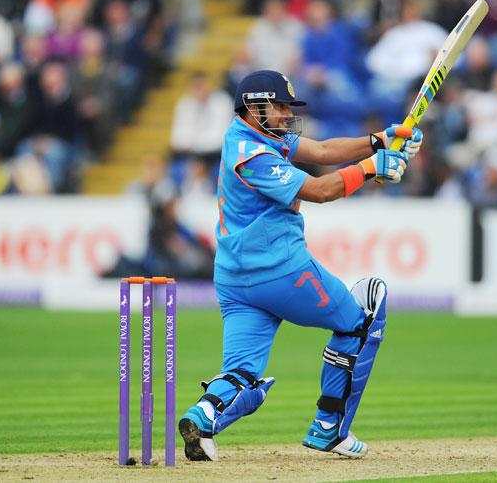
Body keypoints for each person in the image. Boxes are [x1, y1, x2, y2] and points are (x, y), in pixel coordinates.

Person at [178, 70, 423, 461]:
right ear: (254, 106)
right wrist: (372, 167)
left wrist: (378, 140)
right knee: (361, 319)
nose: (286, 113)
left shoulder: (257, 135)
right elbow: (321, 190)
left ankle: (202, 417)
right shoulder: (253, 154)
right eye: (278, 106)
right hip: (280, 272)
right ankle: (329, 427)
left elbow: (324, 151)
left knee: (243, 373)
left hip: (234, 280)